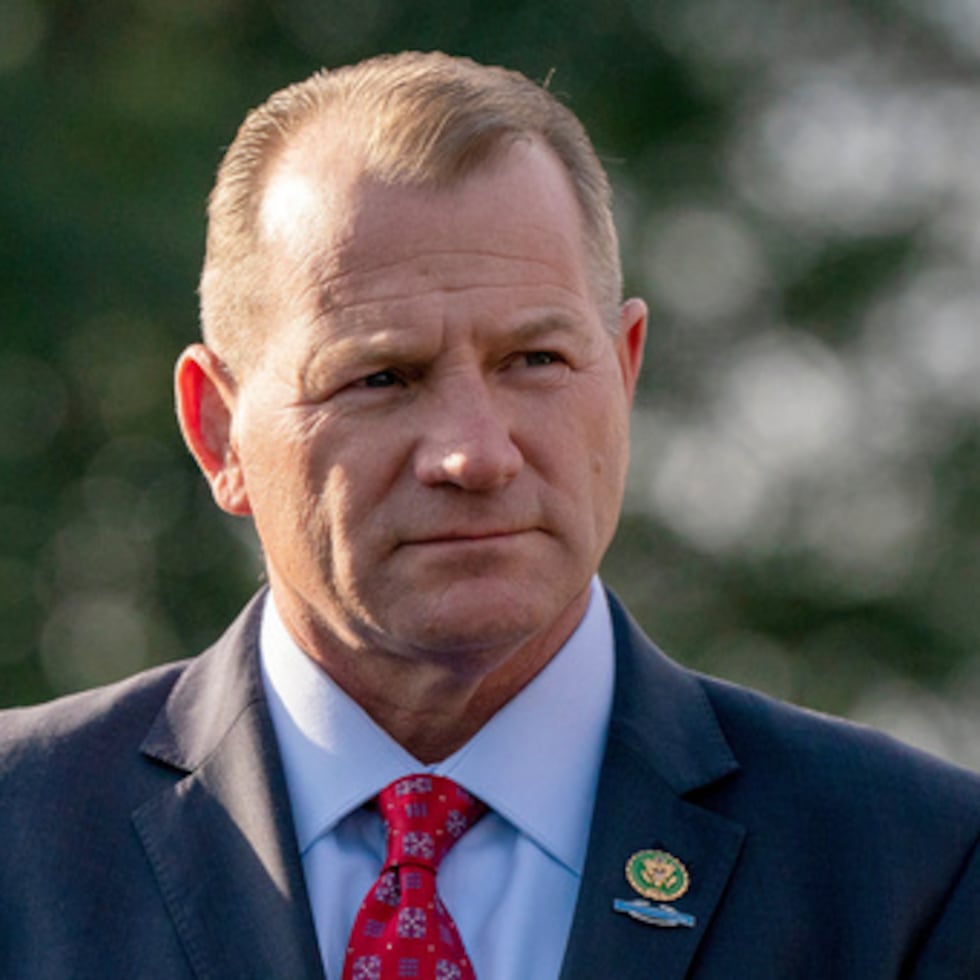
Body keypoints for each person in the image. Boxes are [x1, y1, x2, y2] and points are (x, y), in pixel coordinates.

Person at [1, 51, 979, 980]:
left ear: (623, 370)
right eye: (381, 376)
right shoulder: (21, 839)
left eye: (535, 361)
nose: (474, 454)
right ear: (217, 430)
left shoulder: (914, 869)